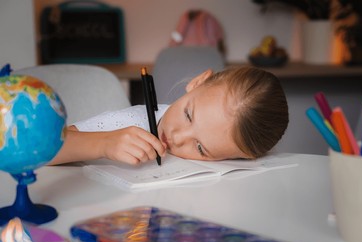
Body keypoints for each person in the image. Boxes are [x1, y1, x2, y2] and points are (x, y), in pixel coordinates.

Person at [49, 65, 289, 166]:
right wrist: (104, 143)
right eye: (187, 115)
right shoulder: (129, 123)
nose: (176, 137)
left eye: (200, 148)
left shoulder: (234, 152)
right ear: (198, 82)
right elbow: (44, 149)